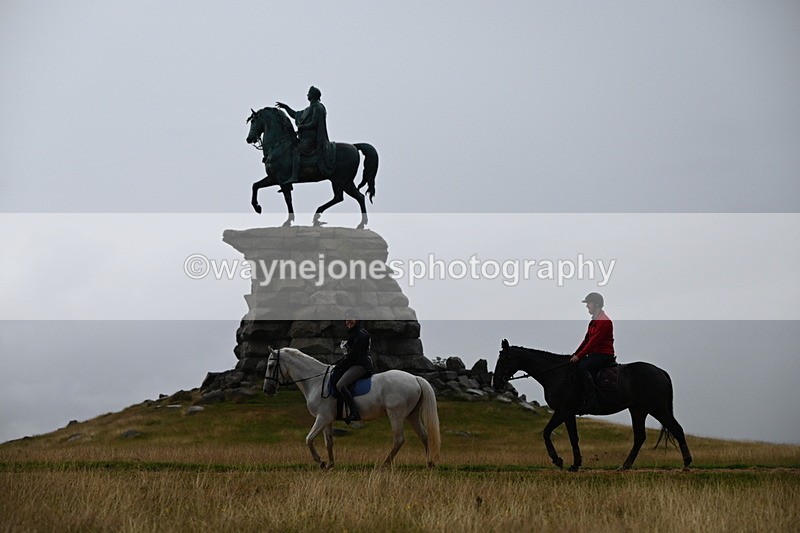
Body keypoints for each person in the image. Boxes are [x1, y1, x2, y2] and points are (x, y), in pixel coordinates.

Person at [275, 86, 335, 188]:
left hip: (312, 138)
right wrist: (286, 108)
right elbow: (295, 114)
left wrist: (302, 126)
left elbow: (314, 123)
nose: (307, 94)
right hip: (305, 138)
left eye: (309, 93)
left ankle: (294, 176)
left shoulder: (318, 107)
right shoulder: (309, 109)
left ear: (313, 95)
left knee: (296, 151)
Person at [569, 292, 615, 413]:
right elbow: (586, 340)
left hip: (604, 355)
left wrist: (579, 356)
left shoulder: (604, 321)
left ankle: (592, 398)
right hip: (595, 354)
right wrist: (575, 354)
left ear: (596, 304)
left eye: (589, 303)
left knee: (583, 367)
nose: (587, 306)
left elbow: (593, 343)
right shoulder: (594, 321)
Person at [334, 309, 374, 423]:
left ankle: (354, 412)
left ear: (357, 319)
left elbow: (354, 355)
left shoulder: (360, 334)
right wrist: (339, 362)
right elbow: (349, 354)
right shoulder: (354, 333)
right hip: (355, 363)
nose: (348, 321)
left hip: (361, 365)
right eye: (346, 319)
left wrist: (341, 363)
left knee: (340, 384)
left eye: (350, 319)